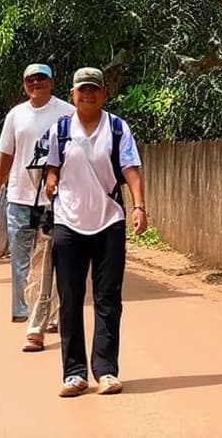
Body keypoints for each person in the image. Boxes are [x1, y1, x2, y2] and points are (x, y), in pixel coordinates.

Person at [42, 67, 147, 397]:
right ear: (73, 95)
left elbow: (130, 168)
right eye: (82, 90)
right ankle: (74, 374)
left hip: (109, 221)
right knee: (70, 299)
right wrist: (51, 179)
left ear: (104, 94)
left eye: (93, 89)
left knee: (107, 299)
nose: (87, 94)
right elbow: (51, 166)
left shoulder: (117, 128)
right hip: (68, 222)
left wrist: (139, 206)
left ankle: (106, 371)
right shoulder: (60, 129)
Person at [0, 63, 72, 352]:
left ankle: (46, 318)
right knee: (22, 263)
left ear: (51, 82)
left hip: (55, 201)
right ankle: (31, 312)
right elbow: (5, 156)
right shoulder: (16, 115)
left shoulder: (67, 113)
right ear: (24, 85)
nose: (36, 84)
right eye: (30, 80)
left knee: (52, 261)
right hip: (19, 199)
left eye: (41, 79)